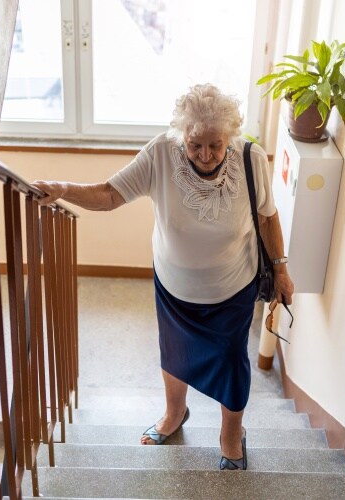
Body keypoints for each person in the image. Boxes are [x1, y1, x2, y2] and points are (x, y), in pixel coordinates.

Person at [32, 83, 294, 470]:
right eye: (195, 145)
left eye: (215, 145)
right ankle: (174, 415)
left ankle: (230, 435)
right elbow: (109, 195)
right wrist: (62, 189)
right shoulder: (160, 153)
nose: (205, 155)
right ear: (181, 137)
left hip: (232, 288)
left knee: (231, 361)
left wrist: (283, 269)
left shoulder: (252, 159)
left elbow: (268, 216)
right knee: (175, 354)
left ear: (230, 137)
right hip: (175, 288)